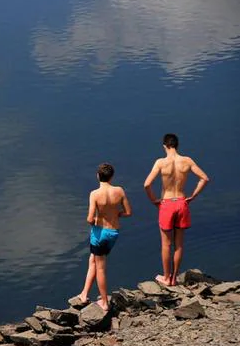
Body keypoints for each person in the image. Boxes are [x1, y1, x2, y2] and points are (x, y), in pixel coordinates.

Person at [143, 133, 209, 286]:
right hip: (181, 202)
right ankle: (174, 278)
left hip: (166, 203)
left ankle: (166, 278)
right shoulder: (187, 161)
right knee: (179, 245)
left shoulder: (160, 162)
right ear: (177, 145)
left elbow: (147, 184)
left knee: (166, 244)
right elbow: (204, 178)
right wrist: (193, 196)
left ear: (164, 146)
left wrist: (153, 200)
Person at [78, 163, 132, 311]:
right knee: (93, 260)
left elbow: (89, 218)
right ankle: (84, 293)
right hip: (113, 232)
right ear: (112, 176)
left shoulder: (94, 194)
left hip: (99, 233)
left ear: (97, 176)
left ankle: (104, 302)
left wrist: (95, 220)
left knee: (100, 267)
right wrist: (116, 214)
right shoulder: (119, 191)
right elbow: (128, 212)